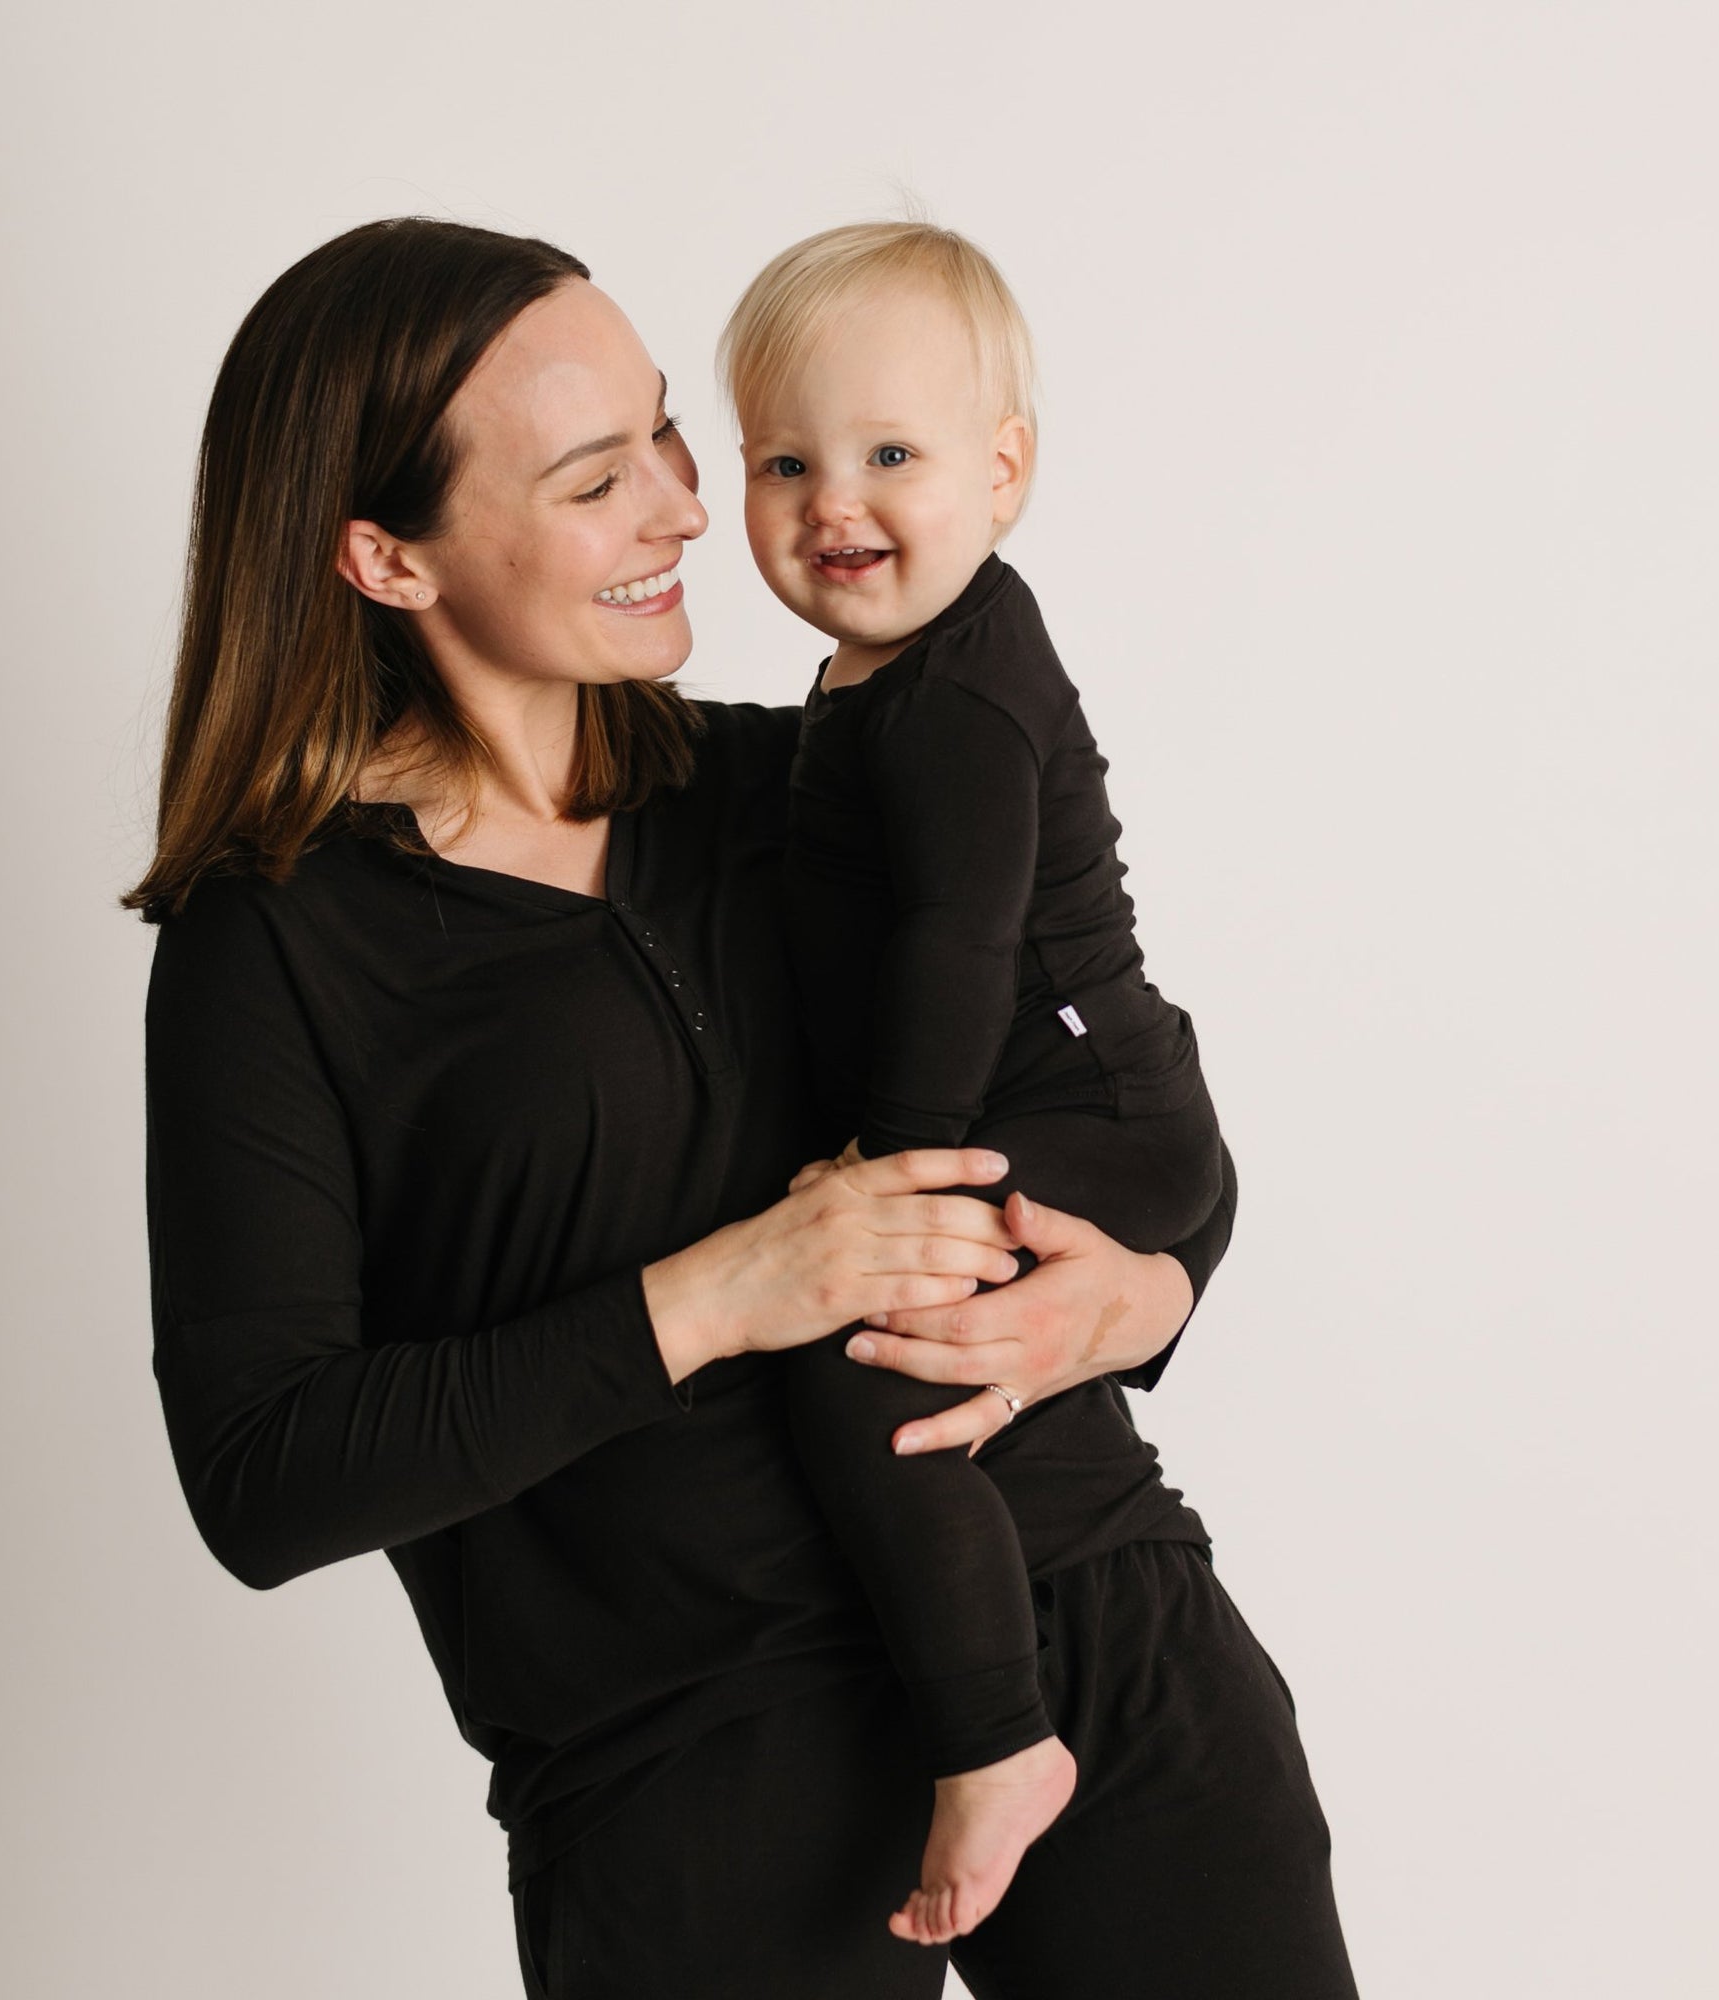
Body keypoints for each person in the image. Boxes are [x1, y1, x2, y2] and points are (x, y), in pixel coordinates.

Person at [130, 215, 1357, 2000]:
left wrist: (1149, 1292)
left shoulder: (801, 777)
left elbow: (1121, 1080)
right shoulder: (278, 944)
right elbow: (264, 1478)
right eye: (593, 475)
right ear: (387, 557)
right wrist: (721, 1294)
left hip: (1099, 1629)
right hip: (691, 1764)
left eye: (667, 436)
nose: (689, 507)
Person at [720, 221, 1228, 1946]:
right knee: (863, 1347)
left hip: (1091, 1098)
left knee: (861, 1367)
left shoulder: (954, 699)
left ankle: (1002, 1745)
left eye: (889, 457)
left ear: (1003, 474)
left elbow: (956, 935)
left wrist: (894, 1169)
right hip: (1062, 1091)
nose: (831, 504)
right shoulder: (876, 677)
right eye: (784, 461)